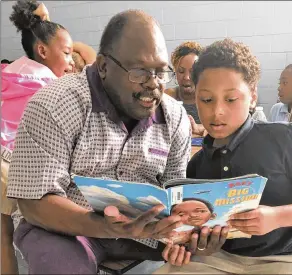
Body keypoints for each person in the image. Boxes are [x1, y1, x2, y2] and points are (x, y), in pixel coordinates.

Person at [7, 9, 192, 274]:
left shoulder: (174, 117)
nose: (154, 85)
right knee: (62, 266)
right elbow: (34, 202)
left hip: (147, 232)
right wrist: (104, 226)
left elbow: (177, 194)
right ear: (104, 66)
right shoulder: (55, 105)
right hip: (65, 229)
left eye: (161, 72)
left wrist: (189, 233)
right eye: (140, 72)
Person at [154, 38, 292, 274]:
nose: (217, 111)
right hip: (218, 259)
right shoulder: (197, 164)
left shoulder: (284, 139)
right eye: (206, 100)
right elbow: (200, 234)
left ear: (252, 95)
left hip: (286, 259)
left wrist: (276, 217)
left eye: (231, 99)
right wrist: (187, 246)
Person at [1, 1, 75, 274]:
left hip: (3, 163)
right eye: (67, 53)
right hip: (16, 168)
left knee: (2, 239)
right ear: (42, 50)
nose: (70, 62)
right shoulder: (51, 88)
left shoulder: (9, 73)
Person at [165, 41, 206, 136]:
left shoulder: (210, 98)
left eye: (192, 71)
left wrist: (198, 128)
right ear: (175, 72)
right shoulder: (167, 97)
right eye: (181, 71)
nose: (186, 77)